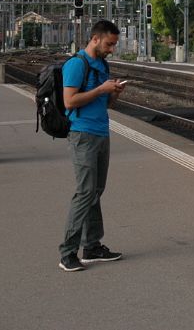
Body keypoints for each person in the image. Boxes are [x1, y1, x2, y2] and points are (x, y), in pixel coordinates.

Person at [58, 19, 128, 272]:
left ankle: (91, 246)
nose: (112, 49)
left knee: (96, 190)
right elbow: (69, 101)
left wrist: (113, 94)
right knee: (85, 192)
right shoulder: (77, 64)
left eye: (114, 45)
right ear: (95, 39)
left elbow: (103, 104)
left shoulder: (102, 64)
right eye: (109, 44)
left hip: (101, 133)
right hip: (82, 135)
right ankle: (67, 252)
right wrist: (100, 89)